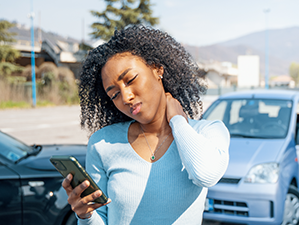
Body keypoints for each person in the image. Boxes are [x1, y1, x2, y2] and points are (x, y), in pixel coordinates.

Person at [62, 25, 230, 225]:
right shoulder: (103, 144)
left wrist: (177, 121)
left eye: (130, 79)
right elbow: (102, 219)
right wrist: (86, 215)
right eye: (114, 94)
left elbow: (205, 175)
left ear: (157, 69)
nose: (126, 97)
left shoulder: (208, 132)